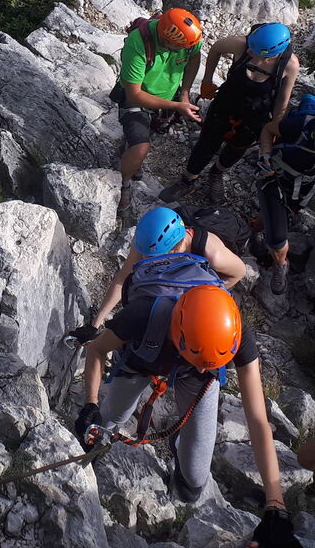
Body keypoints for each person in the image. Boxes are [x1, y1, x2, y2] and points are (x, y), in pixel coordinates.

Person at [75, 207, 303, 548]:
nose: (199, 365)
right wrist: (89, 406)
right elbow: (96, 350)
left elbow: (258, 420)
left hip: (194, 369)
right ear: (178, 330)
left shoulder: (233, 331)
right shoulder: (145, 312)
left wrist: (276, 506)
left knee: (195, 479)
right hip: (146, 354)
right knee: (104, 425)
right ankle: (89, 463)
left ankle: (179, 461)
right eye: (197, 358)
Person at [160, 22, 299, 206]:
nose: (248, 52)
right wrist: (207, 80)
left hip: (255, 116)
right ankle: (188, 180)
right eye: (250, 47)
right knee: (207, 142)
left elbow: (283, 98)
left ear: (271, 54)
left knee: (236, 148)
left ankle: (217, 173)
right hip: (226, 104)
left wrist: (275, 125)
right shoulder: (243, 44)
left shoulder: (289, 65)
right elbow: (216, 48)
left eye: (255, 51)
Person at [69, 205, 246, 341]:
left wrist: (201, 299)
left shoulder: (212, 253)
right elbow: (123, 277)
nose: (146, 258)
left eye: (153, 257)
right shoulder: (149, 240)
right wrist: (95, 324)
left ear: (175, 249)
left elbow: (239, 272)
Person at [115, 8, 203, 214]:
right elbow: (134, 95)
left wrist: (185, 93)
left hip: (167, 97)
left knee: (147, 136)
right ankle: (125, 185)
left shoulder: (189, 40)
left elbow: (194, 58)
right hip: (138, 98)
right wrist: (177, 106)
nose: (180, 51)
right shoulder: (138, 44)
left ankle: (126, 150)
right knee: (141, 148)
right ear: (165, 39)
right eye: (176, 48)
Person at [253, 93, 315, 294]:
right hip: (274, 175)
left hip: (302, 188)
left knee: (276, 213)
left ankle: (256, 230)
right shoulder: (302, 124)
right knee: (278, 240)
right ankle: (280, 262)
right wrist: (265, 155)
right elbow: (268, 129)